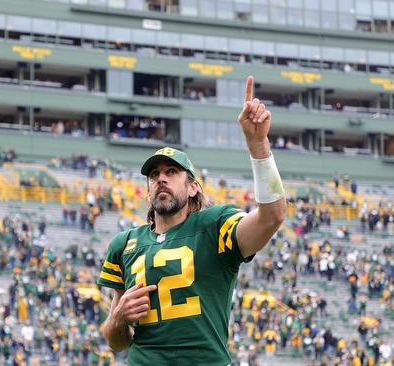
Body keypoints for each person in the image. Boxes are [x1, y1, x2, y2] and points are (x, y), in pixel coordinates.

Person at [97, 75, 286, 365]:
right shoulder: (124, 244)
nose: (161, 178)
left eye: (171, 172)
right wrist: (118, 319)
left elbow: (272, 216)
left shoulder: (214, 226)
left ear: (193, 186)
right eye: (154, 175)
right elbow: (117, 340)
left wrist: (258, 143)